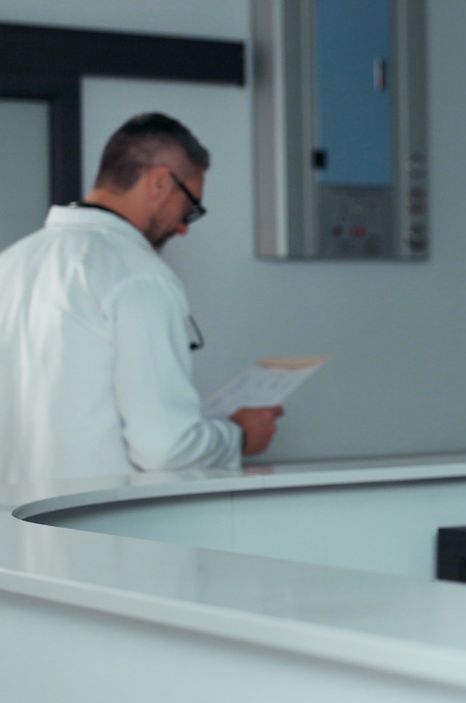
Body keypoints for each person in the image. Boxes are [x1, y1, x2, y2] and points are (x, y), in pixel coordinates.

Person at [0, 112, 283, 504]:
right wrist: (239, 435)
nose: (184, 229)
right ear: (161, 182)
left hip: (13, 538)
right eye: (190, 210)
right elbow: (166, 448)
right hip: (99, 537)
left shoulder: (12, 262)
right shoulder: (138, 276)